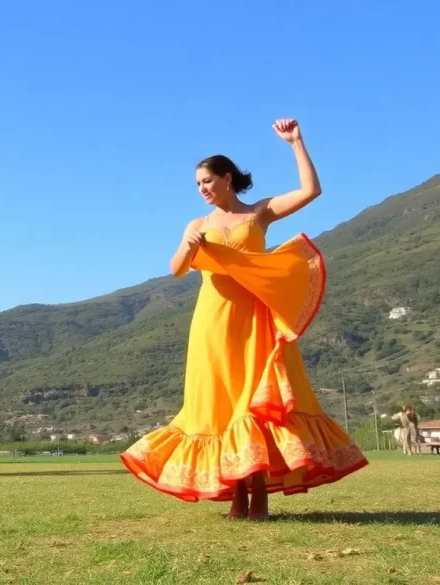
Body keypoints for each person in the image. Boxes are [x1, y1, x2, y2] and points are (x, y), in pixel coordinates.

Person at [120, 119, 367, 521]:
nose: (202, 189)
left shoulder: (258, 213)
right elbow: (177, 270)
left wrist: (296, 142)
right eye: (197, 184)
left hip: (256, 320)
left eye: (207, 181)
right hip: (213, 323)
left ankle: (261, 500)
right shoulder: (197, 225)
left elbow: (311, 191)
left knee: (254, 405)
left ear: (227, 178)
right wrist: (188, 245)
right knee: (221, 406)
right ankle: (237, 498)